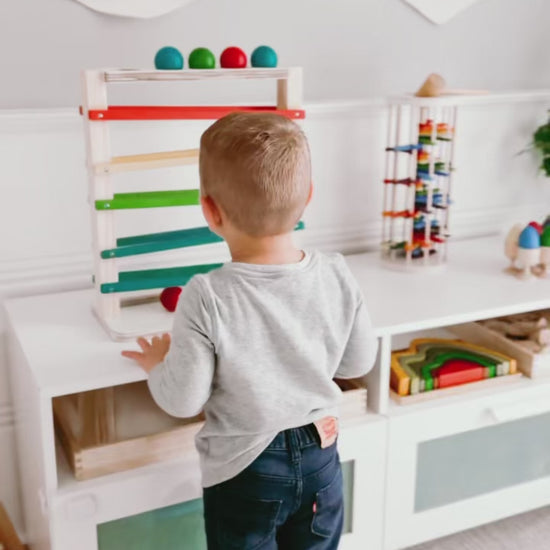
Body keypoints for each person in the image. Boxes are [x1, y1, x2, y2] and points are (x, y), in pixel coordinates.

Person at [122, 112, 378, 549]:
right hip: (322, 455)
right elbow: (358, 362)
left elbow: (183, 399)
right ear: (308, 197)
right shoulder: (336, 272)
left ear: (210, 210)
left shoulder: (206, 295)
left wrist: (157, 364)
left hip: (246, 470)